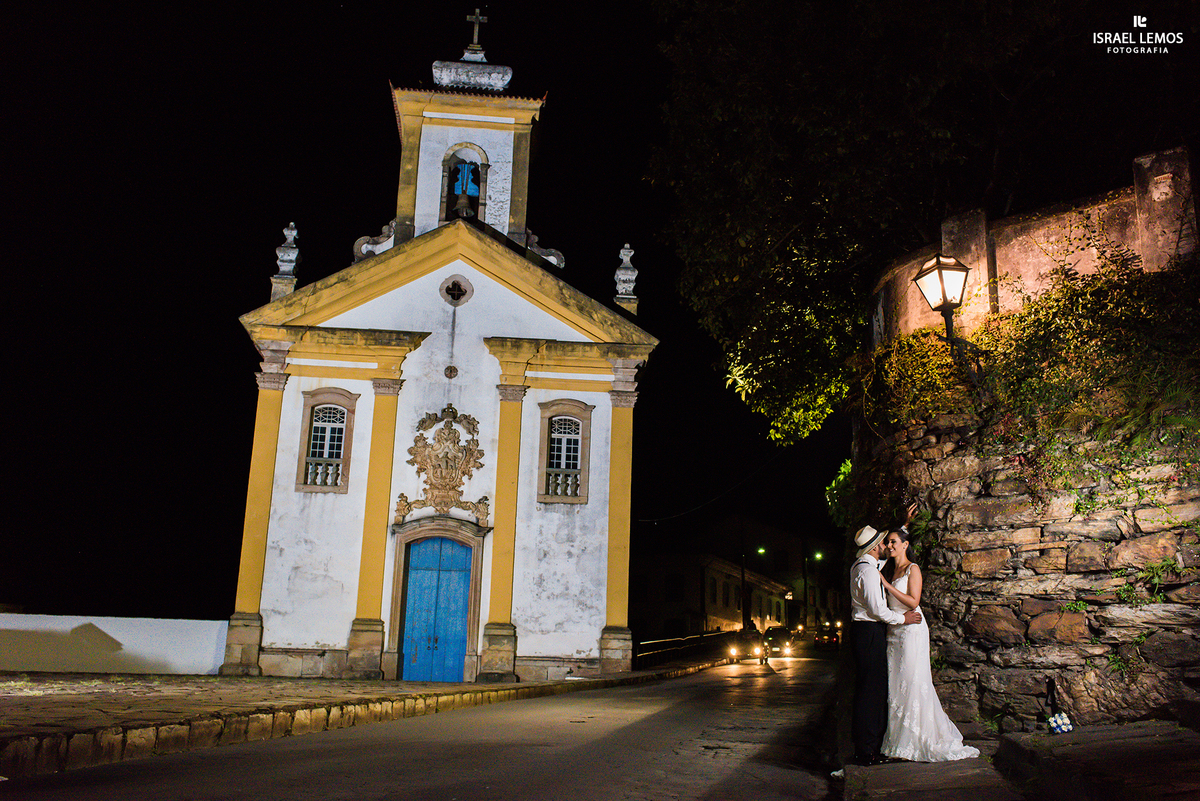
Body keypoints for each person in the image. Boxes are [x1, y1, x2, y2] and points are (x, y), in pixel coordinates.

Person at [878, 524, 980, 762]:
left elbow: (914, 602)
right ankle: (896, 741)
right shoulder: (888, 568)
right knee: (897, 684)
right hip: (894, 630)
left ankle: (916, 739)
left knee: (912, 680)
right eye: (888, 542)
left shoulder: (912, 569)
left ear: (905, 545)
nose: (890, 546)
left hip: (912, 629)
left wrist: (886, 585)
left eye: (894, 542)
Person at [848, 520, 923, 767]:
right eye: (883, 542)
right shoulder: (867, 571)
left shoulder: (867, 565)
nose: (886, 546)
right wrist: (903, 618)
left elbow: (890, 557)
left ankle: (870, 746)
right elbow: (878, 610)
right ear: (874, 548)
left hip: (869, 632)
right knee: (870, 692)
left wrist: (904, 528)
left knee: (874, 689)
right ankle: (865, 751)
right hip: (869, 630)